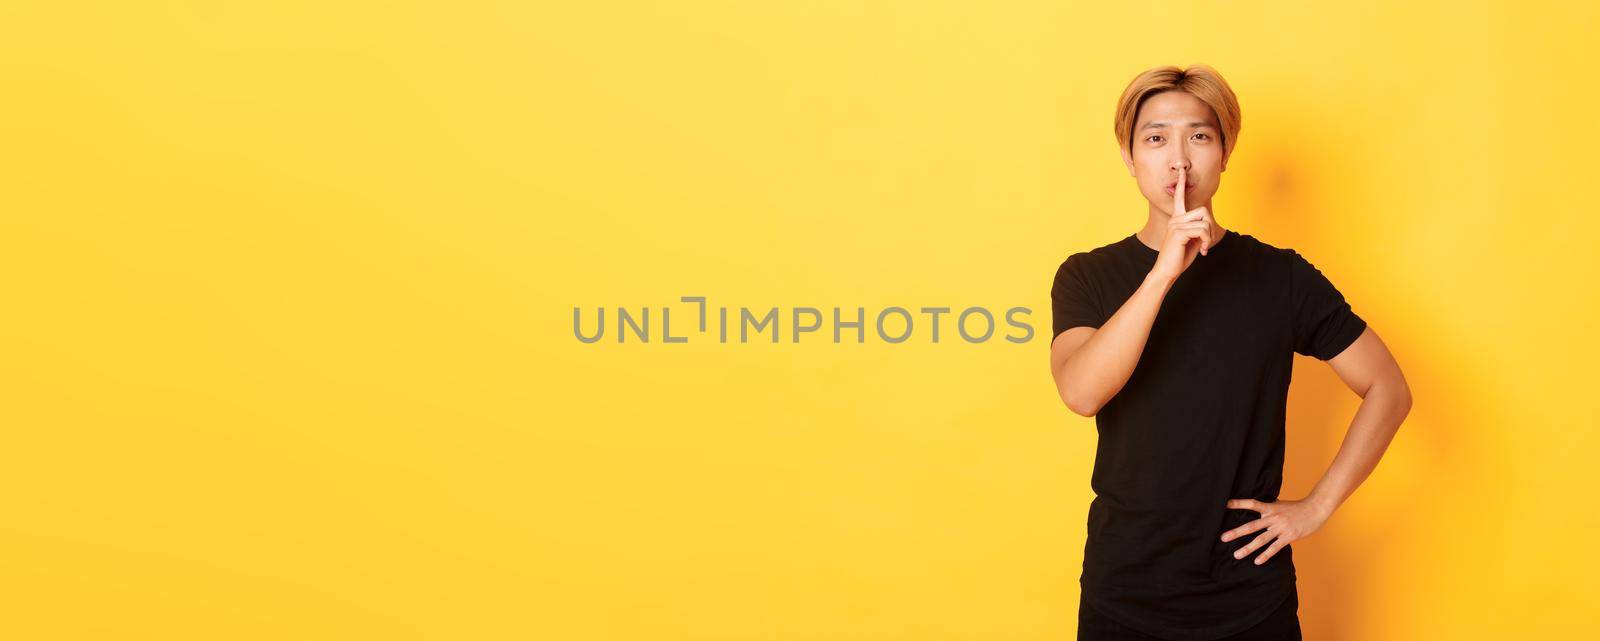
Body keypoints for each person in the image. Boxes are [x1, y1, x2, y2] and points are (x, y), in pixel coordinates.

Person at [1048, 65, 1413, 641]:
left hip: (1250, 601)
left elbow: (1388, 388)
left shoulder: (1281, 277)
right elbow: (1082, 391)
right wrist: (1165, 271)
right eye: (1155, 138)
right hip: (1125, 594)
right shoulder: (1088, 275)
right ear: (1129, 156)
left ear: (1224, 153)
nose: (1178, 160)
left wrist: (1316, 506)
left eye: (1199, 136)